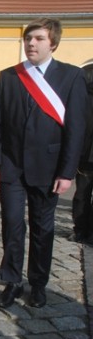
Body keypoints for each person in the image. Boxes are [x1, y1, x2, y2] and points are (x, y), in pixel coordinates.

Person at [0, 18, 88, 309]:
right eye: (28, 38)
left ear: (53, 43)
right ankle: (13, 281)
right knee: (12, 225)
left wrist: (67, 172)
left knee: (43, 230)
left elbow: (76, 128)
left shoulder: (71, 77)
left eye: (39, 38)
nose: (31, 43)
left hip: (50, 168)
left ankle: (38, 284)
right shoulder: (9, 76)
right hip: (11, 167)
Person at [69, 80, 93, 244]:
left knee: (82, 195)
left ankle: (86, 231)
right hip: (86, 155)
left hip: (85, 153)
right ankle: (81, 229)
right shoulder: (85, 96)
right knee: (82, 195)